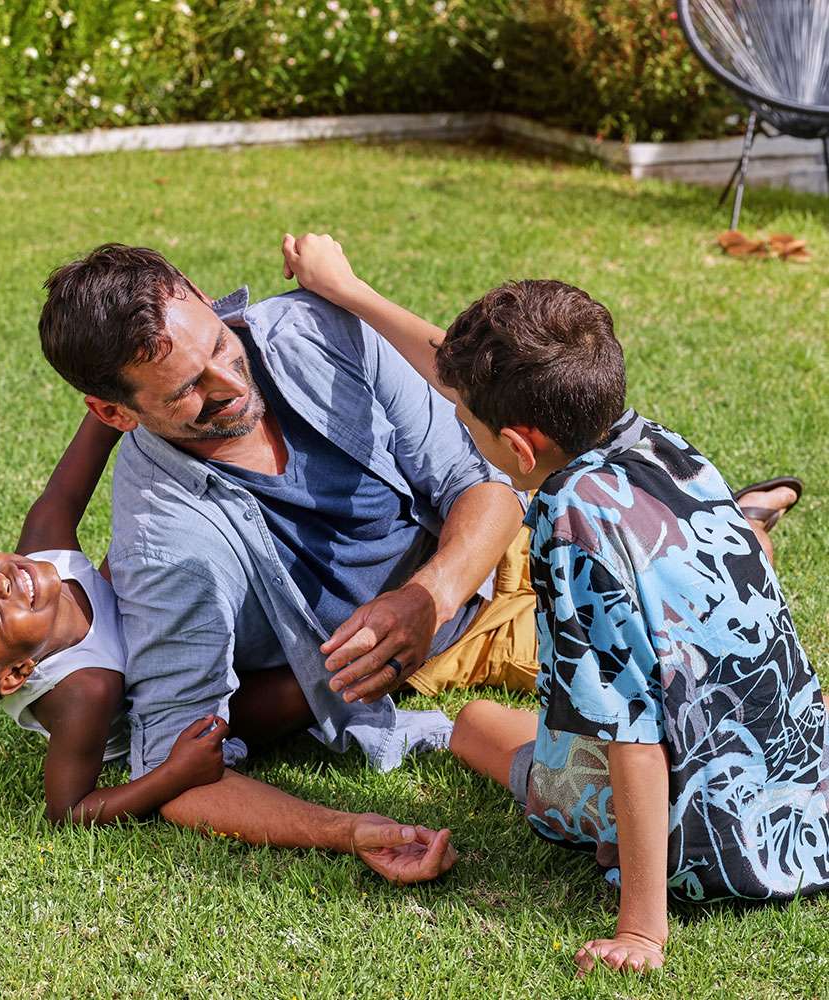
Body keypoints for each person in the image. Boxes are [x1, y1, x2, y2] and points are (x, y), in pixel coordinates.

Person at [280, 232, 826, 974]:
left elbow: (633, 737)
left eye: (470, 427)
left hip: (717, 842)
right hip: (806, 795)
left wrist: (641, 931)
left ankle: (634, 888)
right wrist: (347, 289)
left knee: (475, 724)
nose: (461, 426)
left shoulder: (572, 530)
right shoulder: (661, 445)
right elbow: (464, 376)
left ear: (519, 448)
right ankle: (746, 520)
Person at [33, 241, 537, 874]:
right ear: (113, 413)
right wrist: (346, 829)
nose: (230, 384)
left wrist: (428, 599)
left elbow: (479, 482)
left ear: (201, 296)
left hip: (490, 555)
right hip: (465, 640)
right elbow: (175, 763)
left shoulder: (314, 330)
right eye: (189, 391)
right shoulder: (163, 544)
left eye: (218, 343)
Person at [0, 413, 232, 825]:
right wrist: (173, 774)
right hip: (151, 709)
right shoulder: (86, 690)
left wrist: (115, 400)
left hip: (149, 617)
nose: (0, 582)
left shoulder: (43, 545)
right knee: (289, 693)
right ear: (16, 675)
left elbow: (83, 461)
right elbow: (68, 809)